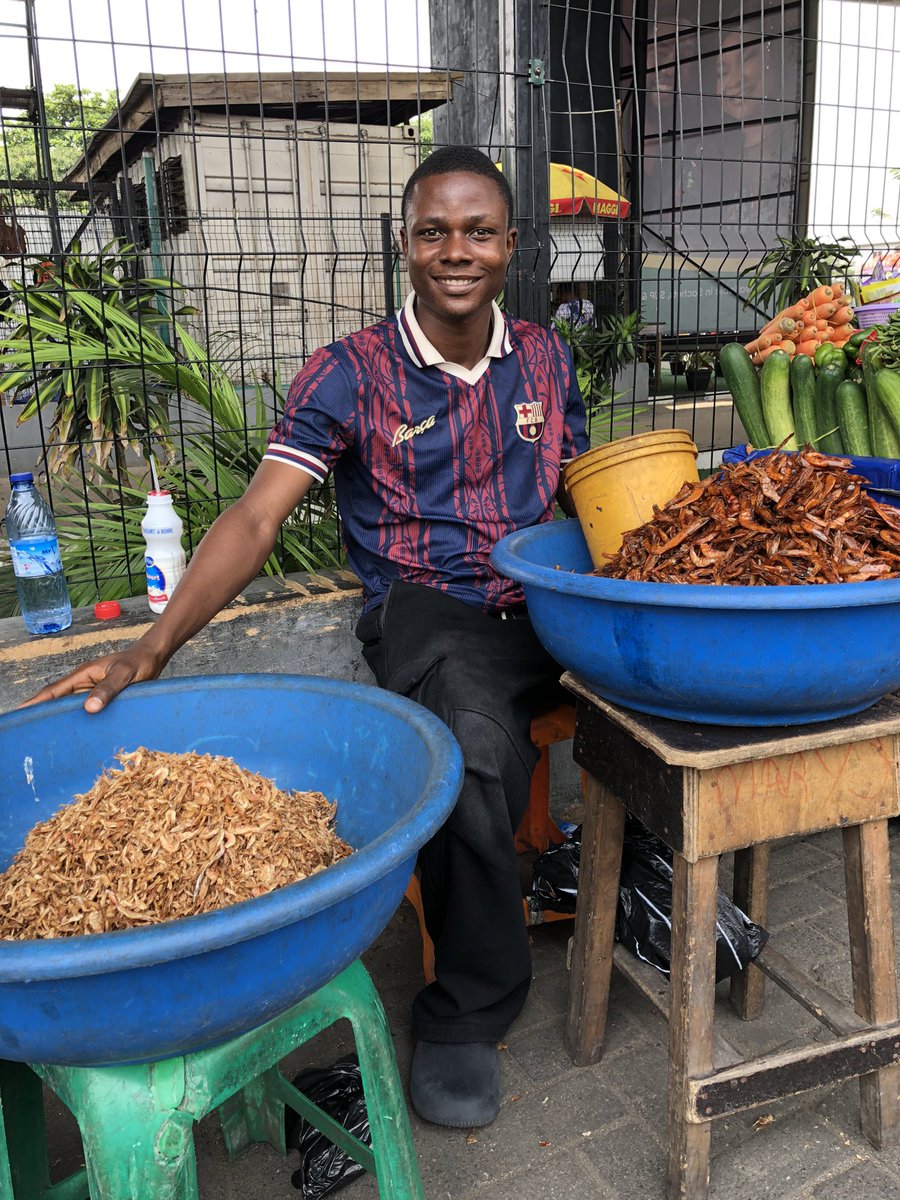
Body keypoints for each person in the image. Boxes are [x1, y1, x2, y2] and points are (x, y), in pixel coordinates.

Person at [26, 146, 589, 1129]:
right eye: (433, 231)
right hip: (430, 610)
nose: (456, 251)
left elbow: (584, 484)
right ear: (405, 244)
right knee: (465, 739)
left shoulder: (544, 355)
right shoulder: (350, 373)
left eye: (479, 231)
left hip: (542, 597)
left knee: (660, 688)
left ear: (510, 244)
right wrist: (150, 648)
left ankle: (647, 880)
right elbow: (254, 520)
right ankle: (465, 1013)